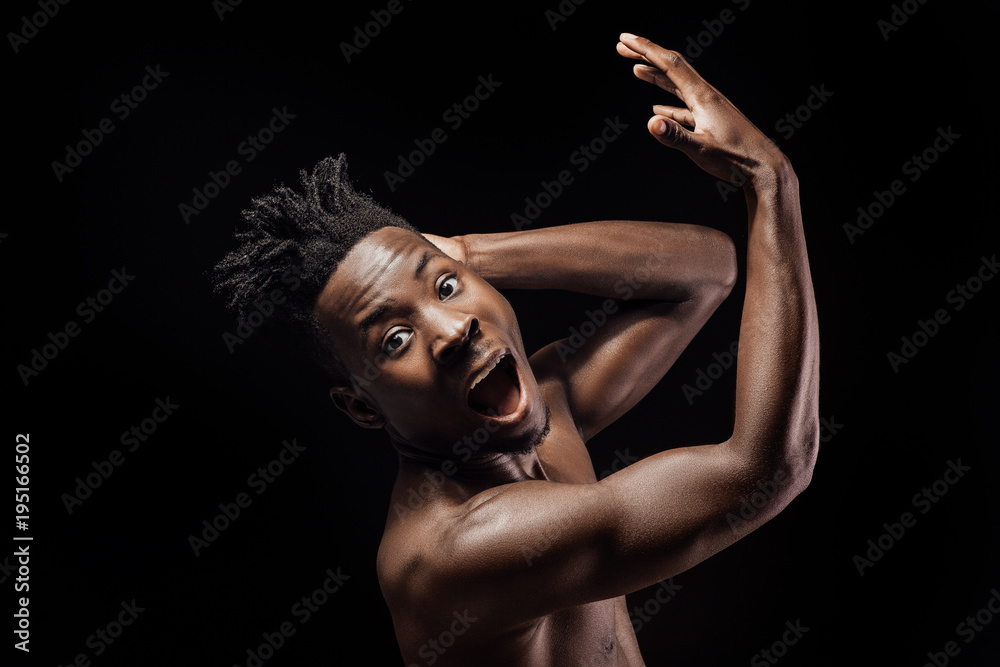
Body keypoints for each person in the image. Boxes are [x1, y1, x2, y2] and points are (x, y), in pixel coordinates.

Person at [213, 33, 819, 666]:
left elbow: (706, 271)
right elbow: (767, 470)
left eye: (448, 289)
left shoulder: (546, 414)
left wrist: (467, 252)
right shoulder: (453, 551)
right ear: (362, 406)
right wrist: (770, 180)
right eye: (395, 339)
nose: (452, 331)